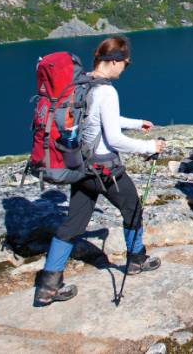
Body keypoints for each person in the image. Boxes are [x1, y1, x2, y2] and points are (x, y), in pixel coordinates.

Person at [33, 35, 166, 307]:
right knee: (133, 209)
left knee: (73, 224)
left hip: (81, 167)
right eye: (125, 64)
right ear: (114, 61)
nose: (124, 69)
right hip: (106, 170)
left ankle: (48, 285)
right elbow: (114, 139)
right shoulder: (106, 91)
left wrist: (136, 122)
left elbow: (100, 119)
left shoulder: (81, 83)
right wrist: (149, 146)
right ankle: (137, 260)